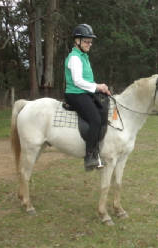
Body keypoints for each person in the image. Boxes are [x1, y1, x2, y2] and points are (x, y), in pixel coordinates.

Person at [64, 24, 111, 171]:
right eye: (86, 41)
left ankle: (97, 152)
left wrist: (100, 88)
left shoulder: (84, 57)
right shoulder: (75, 58)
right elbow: (77, 81)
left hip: (85, 92)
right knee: (95, 119)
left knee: (103, 111)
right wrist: (98, 87)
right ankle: (89, 156)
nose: (89, 44)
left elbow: (88, 81)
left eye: (90, 41)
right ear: (77, 41)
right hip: (75, 93)